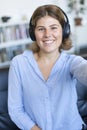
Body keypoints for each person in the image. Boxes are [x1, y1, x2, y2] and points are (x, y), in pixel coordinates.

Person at [8, 4, 87, 130]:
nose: (47, 34)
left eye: (53, 28)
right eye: (41, 29)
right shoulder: (19, 64)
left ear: (64, 30)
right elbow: (15, 110)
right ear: (33, 33)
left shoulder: (73, 62)